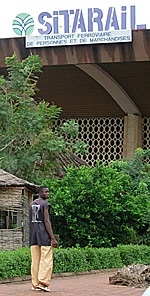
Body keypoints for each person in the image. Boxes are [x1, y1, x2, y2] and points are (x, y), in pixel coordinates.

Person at [29, 186, 58, 292]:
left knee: (35, 260)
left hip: (33, 236)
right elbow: (46, 221)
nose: (48, 194)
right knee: (46, 259)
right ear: (40, 193)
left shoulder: (31, 204)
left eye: (48, 192)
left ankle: (35, 284)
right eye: (46, 192)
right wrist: (53, 238)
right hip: (44, 235)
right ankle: (43, 282)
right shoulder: (45, 204)